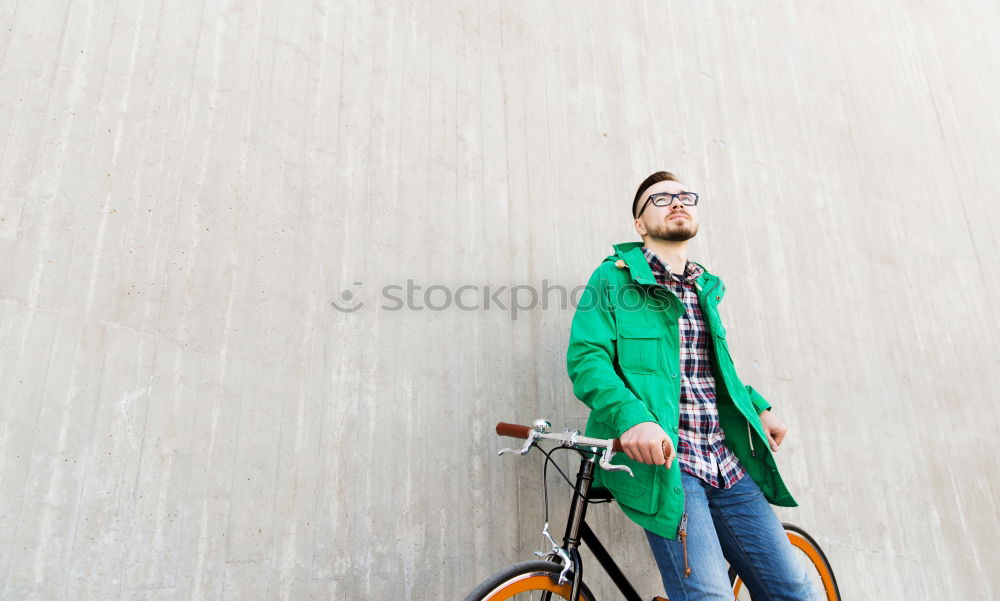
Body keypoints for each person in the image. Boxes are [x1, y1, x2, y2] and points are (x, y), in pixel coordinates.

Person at [566, 171, 821, 601]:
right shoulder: (613, 278)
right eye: (660, 199)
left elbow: (715, 370)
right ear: (640, 224)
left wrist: (757, 407)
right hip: (671, 466)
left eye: (685, 196)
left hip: (725, 461)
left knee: (795, 592)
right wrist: (635, 421)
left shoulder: (705, 287)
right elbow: (587, 360)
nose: (677, 202)